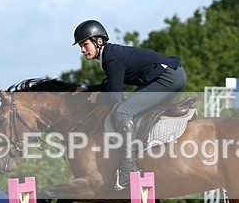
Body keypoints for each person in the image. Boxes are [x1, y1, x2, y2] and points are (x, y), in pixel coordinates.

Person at [73, 19, 187, 190]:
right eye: (80, 46)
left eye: (85, 44)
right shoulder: (110, 55)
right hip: (172, 75)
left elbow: (114, 97)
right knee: (131, 108)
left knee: (122, 112)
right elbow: (110, 85)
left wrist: (96, 98)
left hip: (168, 78)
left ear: (98, 41)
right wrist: (87, 90)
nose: (82, 49)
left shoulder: (111, 58)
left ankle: (128, 169)